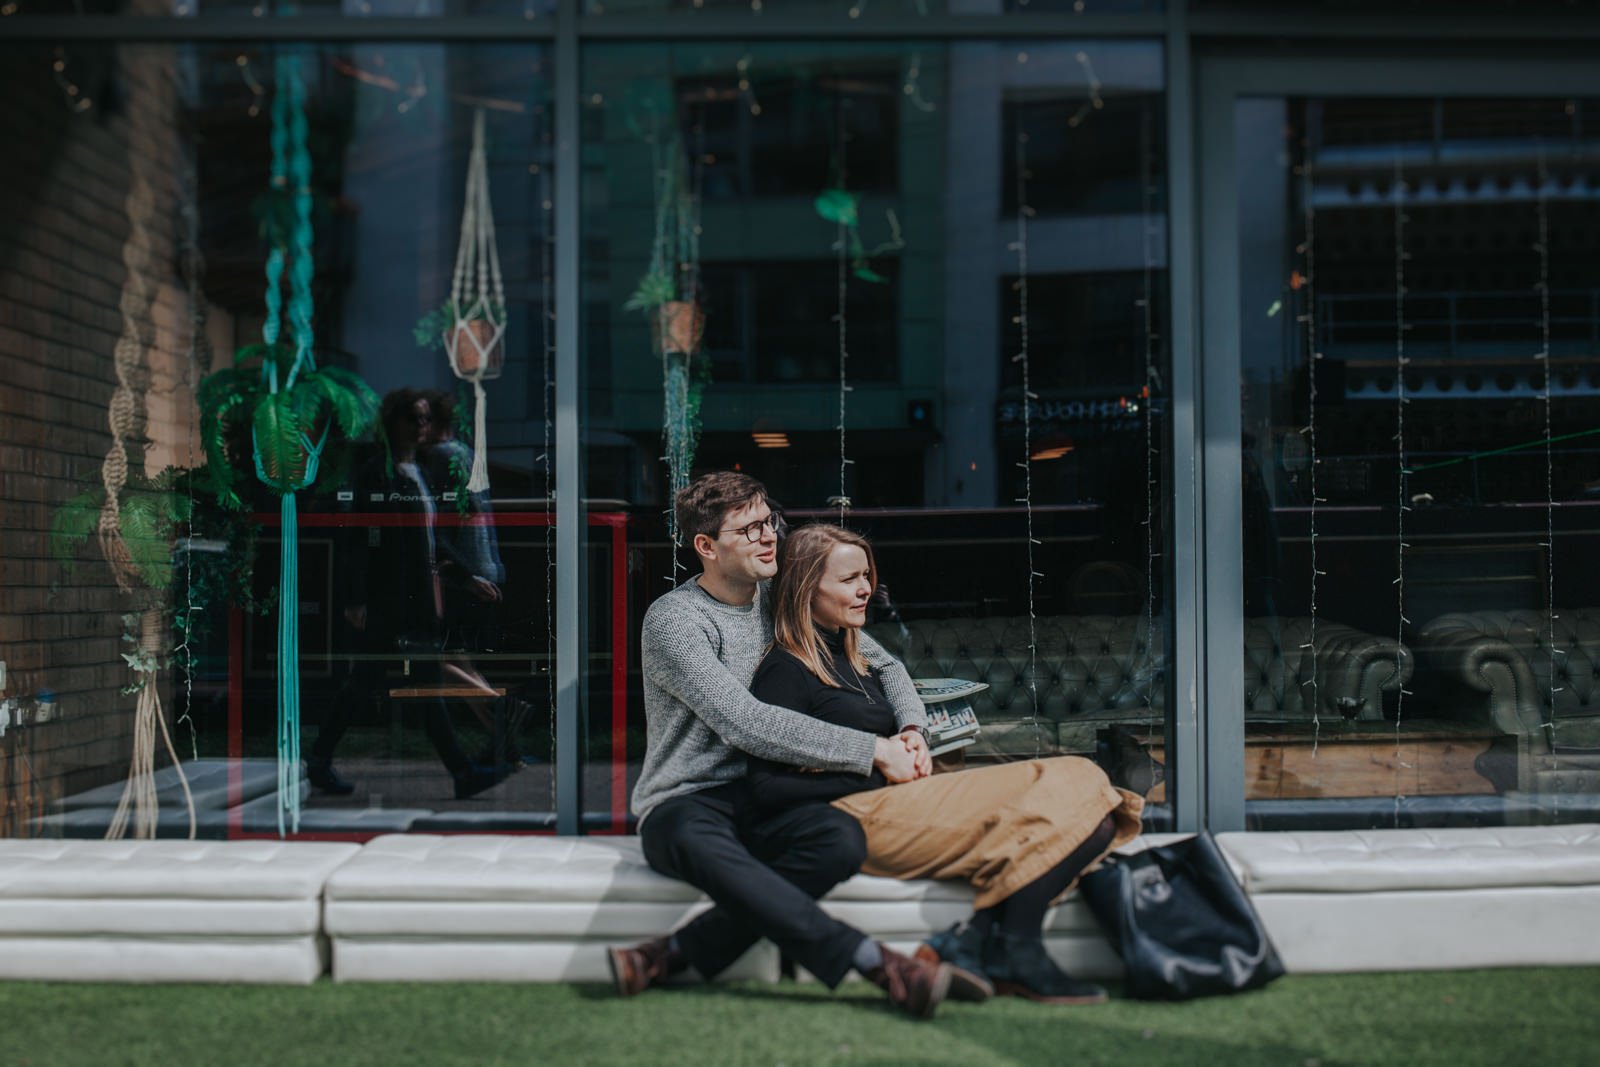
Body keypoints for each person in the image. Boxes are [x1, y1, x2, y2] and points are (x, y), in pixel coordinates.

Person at [607, 472, 959, 1018]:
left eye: (768, 521)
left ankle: (669, 955)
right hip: (686, 801)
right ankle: (876, 964)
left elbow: (886, 664)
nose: (769, 536)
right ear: (706, 546)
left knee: (839, 841)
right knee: (708, 847)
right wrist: (871, 750)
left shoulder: (779, 597)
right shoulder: (675, 621)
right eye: (747, 529)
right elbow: (745, 722)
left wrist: (912, 728)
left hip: (767, 794)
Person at [747, 523, 1144, 1004]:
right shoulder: (784, 671)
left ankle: (985, 941)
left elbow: (894, 688)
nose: (866, 588)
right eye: (849, 579)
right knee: (1086, 798)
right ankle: (1005, 947)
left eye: (867, 575)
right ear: (807, 588)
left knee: (1087, 793)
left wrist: (911, 738)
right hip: (856, 815)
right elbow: (764, 790)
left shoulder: (853, 655)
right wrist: (877, 768)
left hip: (903, 800)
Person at [305, 388, 511, 800]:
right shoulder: (376, 473)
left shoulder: (419, 470)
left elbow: (432, 536)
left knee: (394, 681)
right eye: (412, 419)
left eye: (425, 419)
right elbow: (359, 541)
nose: (421, 426)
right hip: (389, 597)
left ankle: (321, 762)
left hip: (414, 595)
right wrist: (356, 598)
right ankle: (461, 772)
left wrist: (465, 577)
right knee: (400, 681)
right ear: (393, 423)